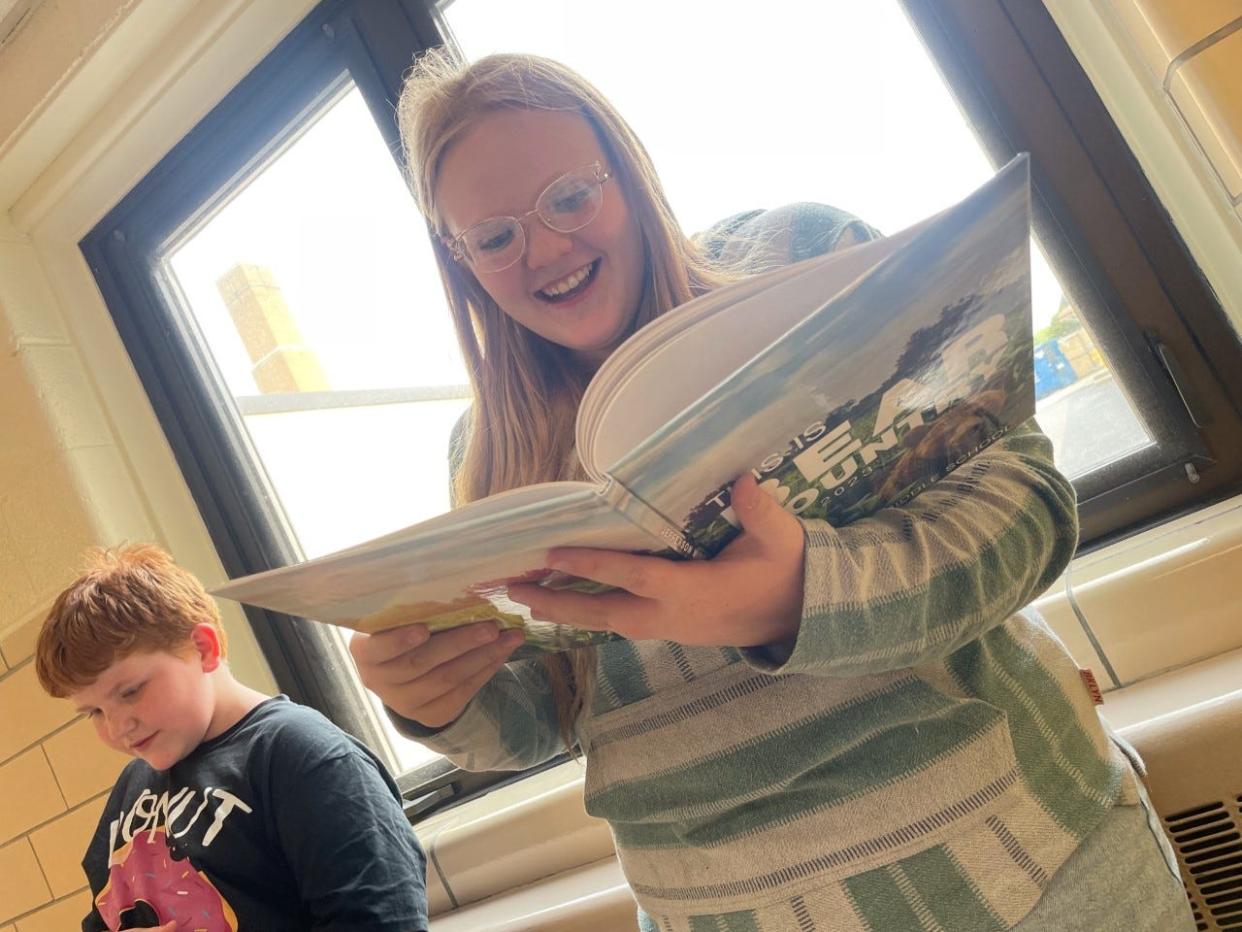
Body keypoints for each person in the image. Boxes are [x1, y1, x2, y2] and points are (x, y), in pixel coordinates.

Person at [349, 49, 1195, 931]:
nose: (547, 250)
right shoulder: (487, 453)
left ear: (629, 175)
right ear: (460, 261)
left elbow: (1026, 509)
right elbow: (551, 716)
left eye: (569, 196)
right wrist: (437, 704)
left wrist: (798, 600)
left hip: (1029, 869)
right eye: (495, 237)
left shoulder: (802, 257)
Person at [35, 544, 430, 932]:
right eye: (94, 712)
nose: (119, 727)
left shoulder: (303, 756)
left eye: (131, 691)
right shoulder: (130, 788)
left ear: (204, 648)